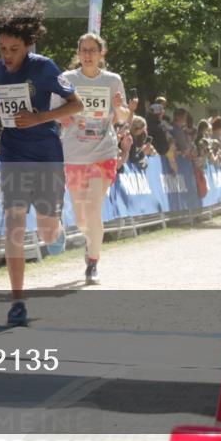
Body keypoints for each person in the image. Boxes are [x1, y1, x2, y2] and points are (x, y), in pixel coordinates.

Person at [0, 1, 83, 326]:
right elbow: (6, 105)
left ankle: (56, 228)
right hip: (13, 151)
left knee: (46, 233)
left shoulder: (45, 68)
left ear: (28, 45)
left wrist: (40, 117)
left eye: (14, 49)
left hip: (45, 153)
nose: (7, 55)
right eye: (2, 48)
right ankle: (17, 302)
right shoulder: (0, 69)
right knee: (14, 223)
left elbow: (76, 105)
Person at [58, 33, 129, 285]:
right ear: (78, 53)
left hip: (103, 152)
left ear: (101, 53)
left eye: (92, 50)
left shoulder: (112, 80)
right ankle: (91, 243)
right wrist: (65, 117)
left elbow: (122, 117)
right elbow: (55, 112)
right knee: (81, 218)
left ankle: (93, 262)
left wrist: (118, 107)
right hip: (74, 154)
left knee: (93, 208)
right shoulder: (67, 79)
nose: (87, 55)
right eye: (83, 50)